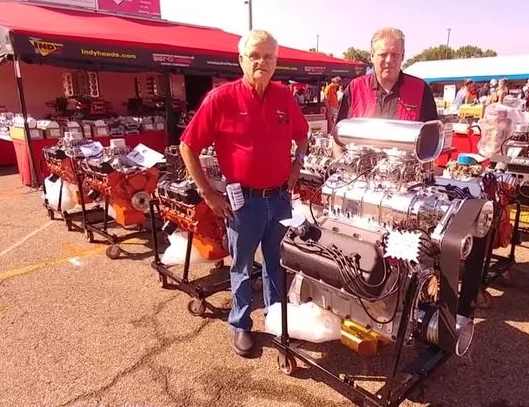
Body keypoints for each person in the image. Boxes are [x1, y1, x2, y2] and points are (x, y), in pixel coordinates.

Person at [179, 29, 309, 357]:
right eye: (254, 56)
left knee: (276, 264)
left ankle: (277, 323)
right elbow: (187, 146)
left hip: (279, 198)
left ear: (276, 62)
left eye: (268, 56)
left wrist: (296, 166)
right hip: (243, 202)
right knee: (241, 266)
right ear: (241, 60)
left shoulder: (284, 97)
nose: (261, 62)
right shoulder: (220, 99)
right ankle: (240, 324)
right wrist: (208, 194)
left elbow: (303, 135)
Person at [332, 27, 437, 152]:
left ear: (402, 56)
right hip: (361, 170)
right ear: (372, 55)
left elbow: (431, 142)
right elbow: (337, 136)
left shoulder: (421, 90)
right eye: (383, 54)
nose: (389, 60)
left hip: (407, 170)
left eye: (395, 55)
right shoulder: (355, 89)